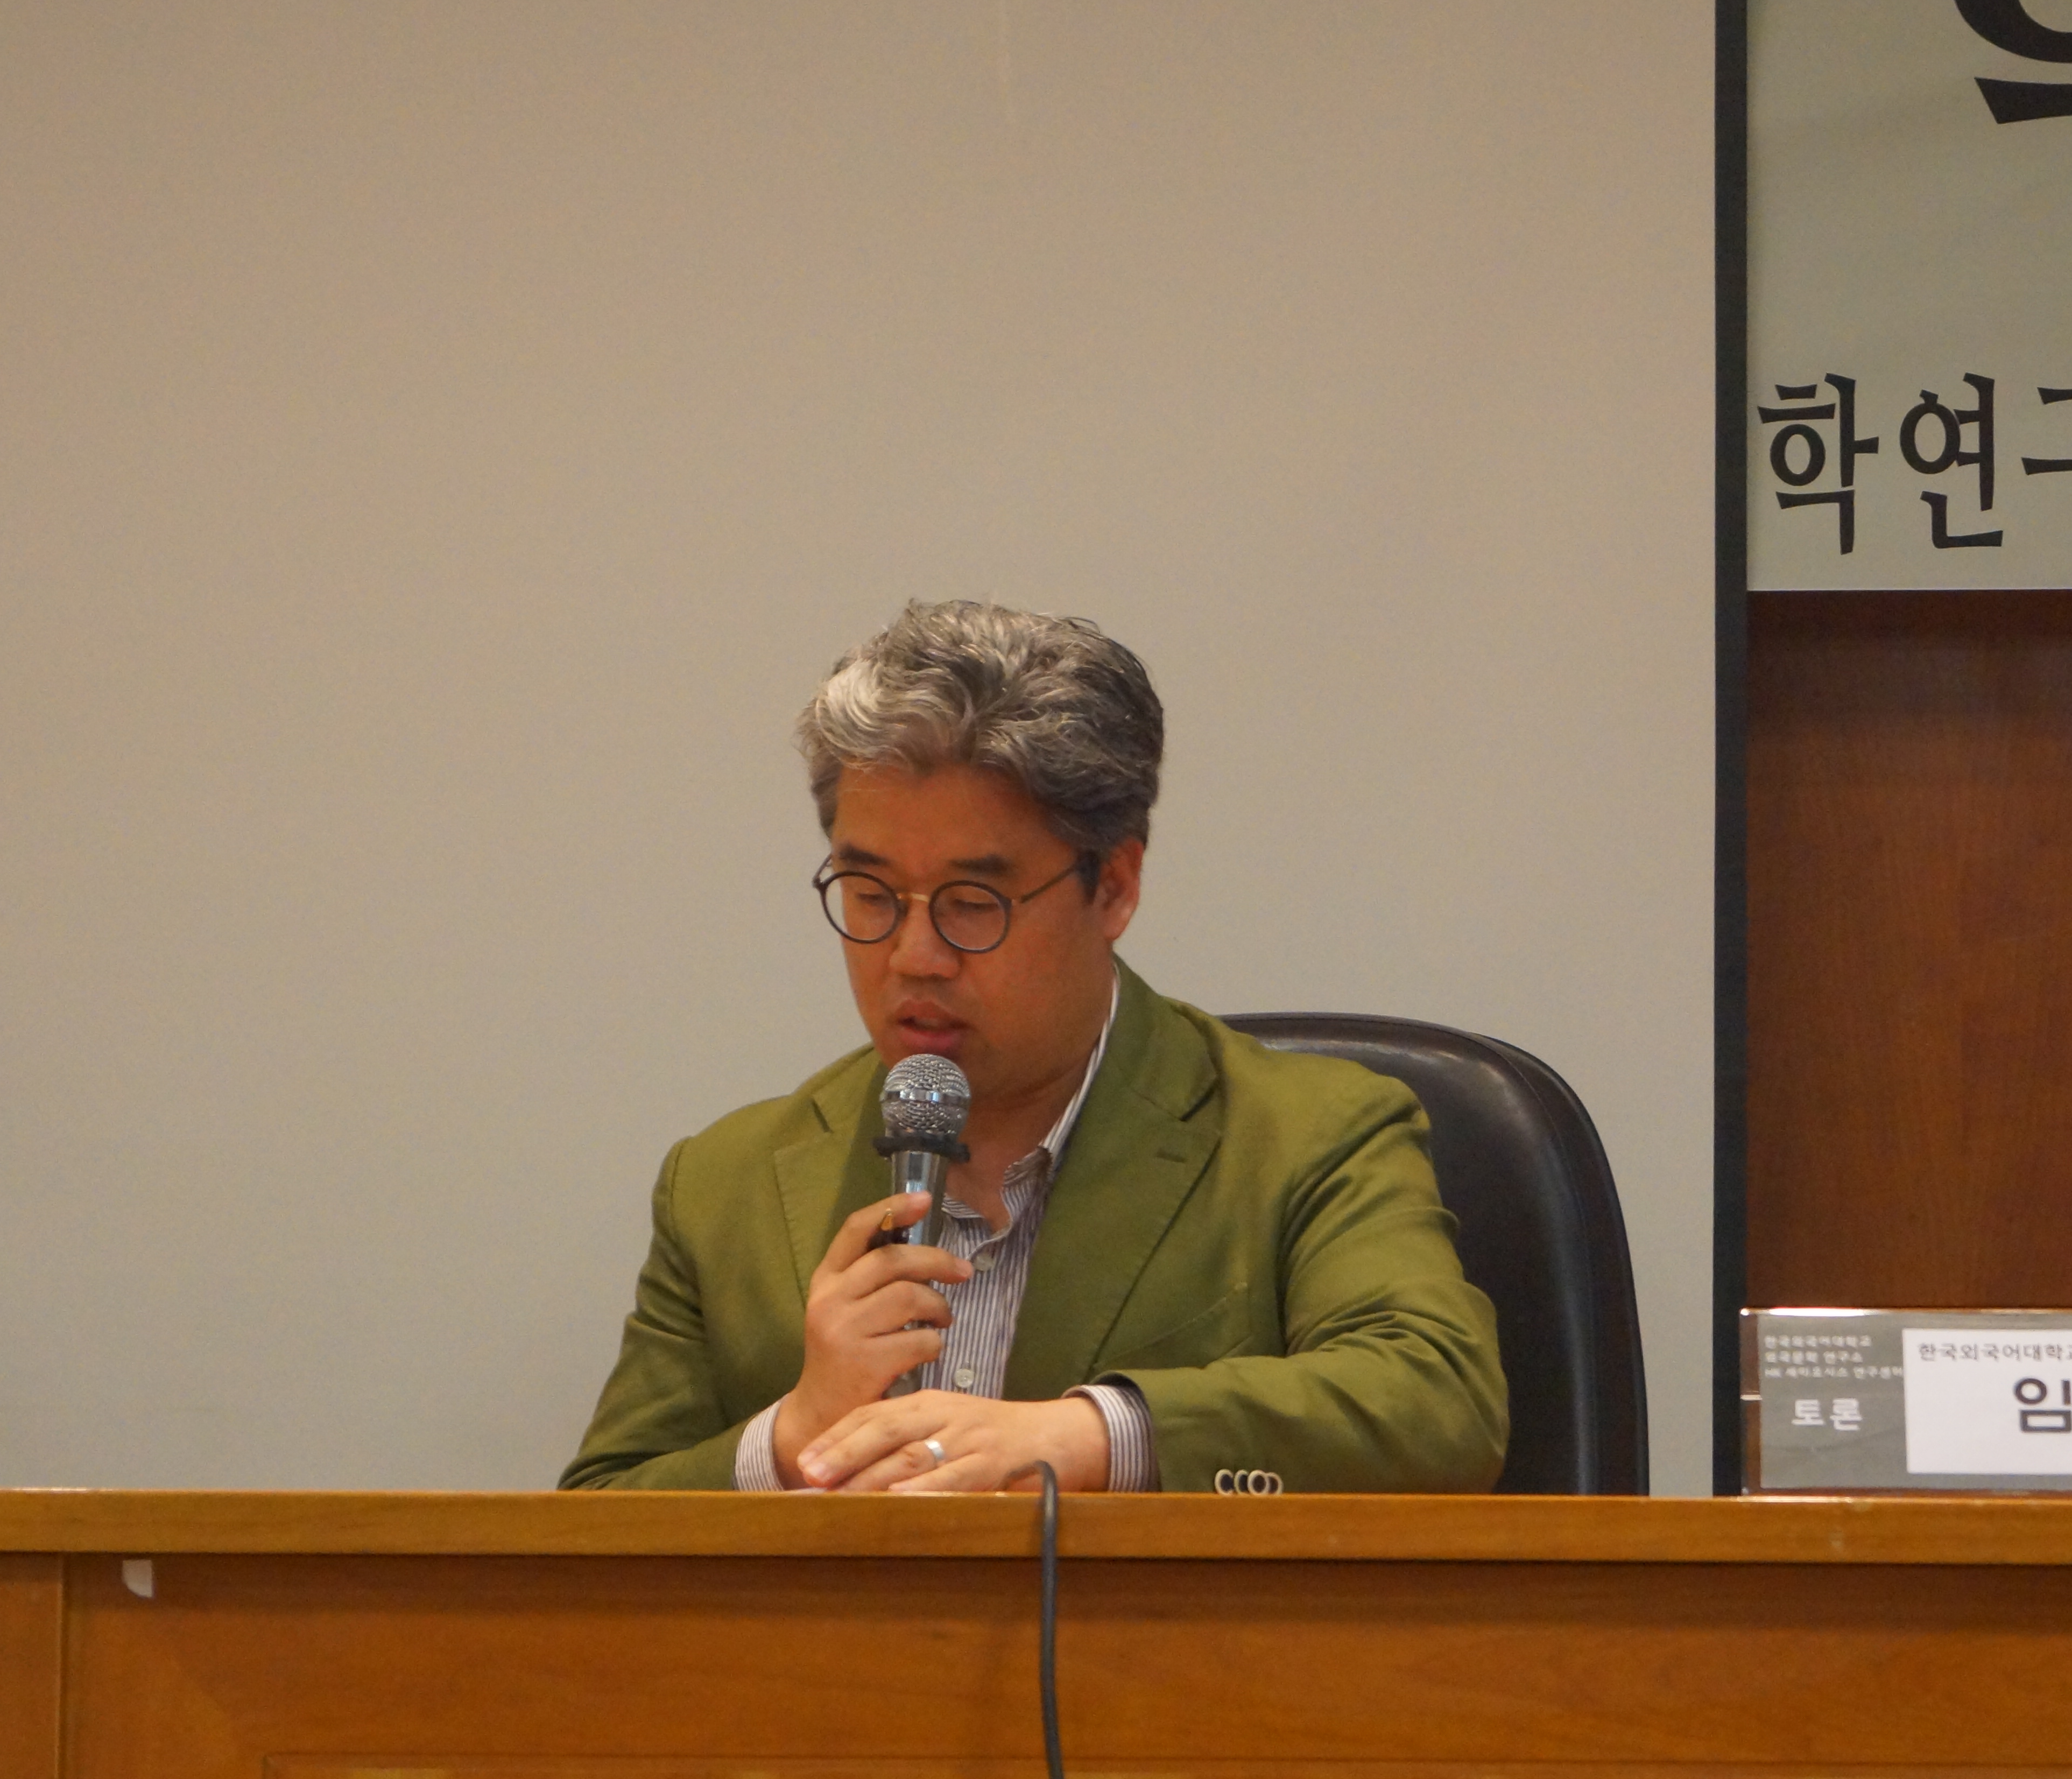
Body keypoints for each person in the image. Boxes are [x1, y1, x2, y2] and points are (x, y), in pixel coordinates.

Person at [561, 600, 1507, 1494]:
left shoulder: (1310, 1135)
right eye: (871, 894)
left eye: (974, 903)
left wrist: (1090, 1437)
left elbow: (1439, 1401)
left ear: (1115, 887)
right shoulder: (722, 1184)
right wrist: (791, 1436)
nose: (913, 956)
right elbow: (595, 1521)